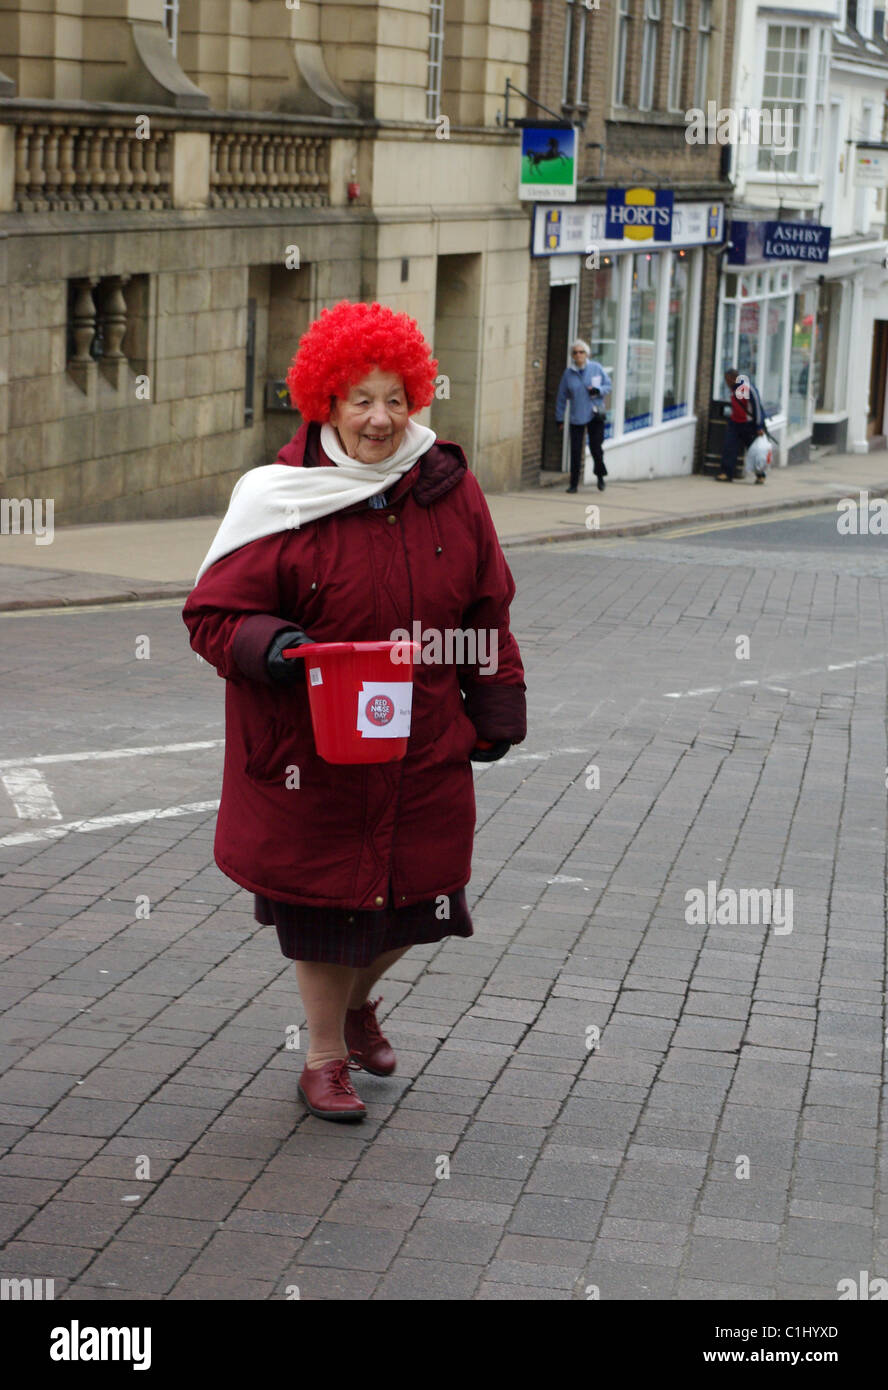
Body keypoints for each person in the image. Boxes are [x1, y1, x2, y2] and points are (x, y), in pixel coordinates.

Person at [182, 301, 527, 1123]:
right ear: (326, 402)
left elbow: (487, 606)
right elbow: (211, 616)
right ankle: (324, 1057)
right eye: (359, 399)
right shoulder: (278, 496)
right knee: (325, 911)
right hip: (310, 746)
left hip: (422, 738)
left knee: (425, 900)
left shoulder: (450, 488)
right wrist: (277, 648)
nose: (379, 418)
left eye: (395, 399)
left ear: (416, 399)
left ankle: (355, 1007)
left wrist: (496, 705)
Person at [555, 339, 612, 493]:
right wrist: (559, 417)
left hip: (595, 414)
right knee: (575, 451)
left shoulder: (596, 368)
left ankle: (600, 476)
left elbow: (609, 385)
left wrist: (598, 390)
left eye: (581, 352)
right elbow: (562, 397)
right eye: (575, 352)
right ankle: (573, 484)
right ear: (572, 356)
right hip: (577, 416)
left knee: (596, 448)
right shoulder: (568, 374)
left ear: (587, 354)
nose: (578, 355)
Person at [717, 368, 766, 482]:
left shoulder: (747, 388)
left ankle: (760, 474)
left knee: (754, 451)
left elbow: (757, 408)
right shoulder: (733, 389)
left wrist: (759, 426)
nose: (726, 383)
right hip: (735, 422)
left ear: (734, 379)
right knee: (729, 447)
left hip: (748, 424)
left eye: (727, 380)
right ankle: (726, 473)